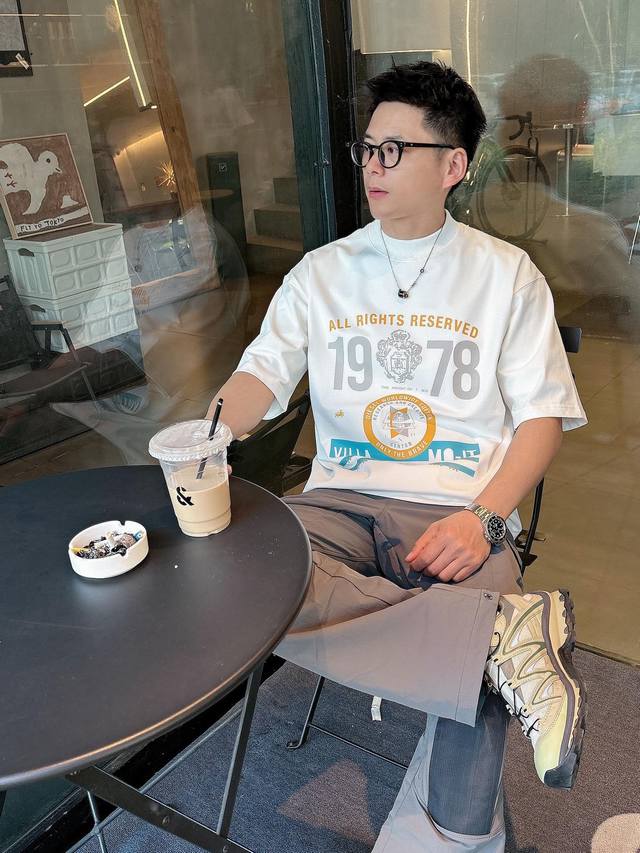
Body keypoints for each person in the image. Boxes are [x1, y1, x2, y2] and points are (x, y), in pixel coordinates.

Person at [208, 61, 587, 852]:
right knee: (247, 573)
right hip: (339, 501)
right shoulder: (323, 273)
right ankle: (500, 640)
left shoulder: (506, 276)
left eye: (395, 149)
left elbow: (541, 423)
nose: (372, 166)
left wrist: (484, 518)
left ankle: (453, 830)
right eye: (368, 149)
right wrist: (209, 431)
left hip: (463, 509)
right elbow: (261, 376)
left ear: (454, 166)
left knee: (477, 655)